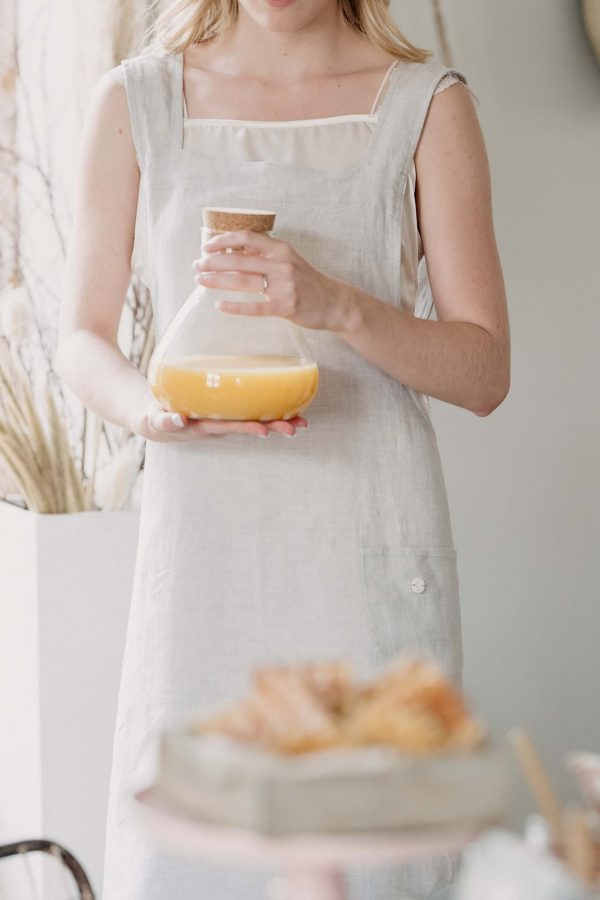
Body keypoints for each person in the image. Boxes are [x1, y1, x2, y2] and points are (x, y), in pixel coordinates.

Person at [55, 0, 510, 894]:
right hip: (204, 556)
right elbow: (82, 336)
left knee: (384, 860)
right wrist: (151, 412)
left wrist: (335, 304)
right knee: (192, 855)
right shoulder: (139, 101)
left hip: (367, 549)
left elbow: (484, 370)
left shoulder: (427, 106)